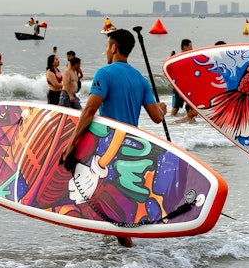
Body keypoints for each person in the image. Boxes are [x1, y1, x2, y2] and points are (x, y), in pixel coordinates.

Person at [60, 30, 166, 247]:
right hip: (131, 152)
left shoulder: (104, 73)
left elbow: (89, 110)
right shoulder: (140, 79)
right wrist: (162, 107)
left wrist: (71, 145)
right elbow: (156, 117)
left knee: (116, 219)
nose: (105, 50)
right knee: (112, 214)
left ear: (114, 47)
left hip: (109, 149)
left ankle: (132, 263)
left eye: (107, 46)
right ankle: (119, 261)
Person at [171, 39, 201, 123]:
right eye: (190, 47)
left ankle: (191, 120)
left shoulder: (188, 58)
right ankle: (171, 121)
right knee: (175, 108)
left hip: (188, 87)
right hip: (178, 87)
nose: (192, 49)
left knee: (193, 105)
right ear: (185, 47)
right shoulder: (178, 59)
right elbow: (173, 73)